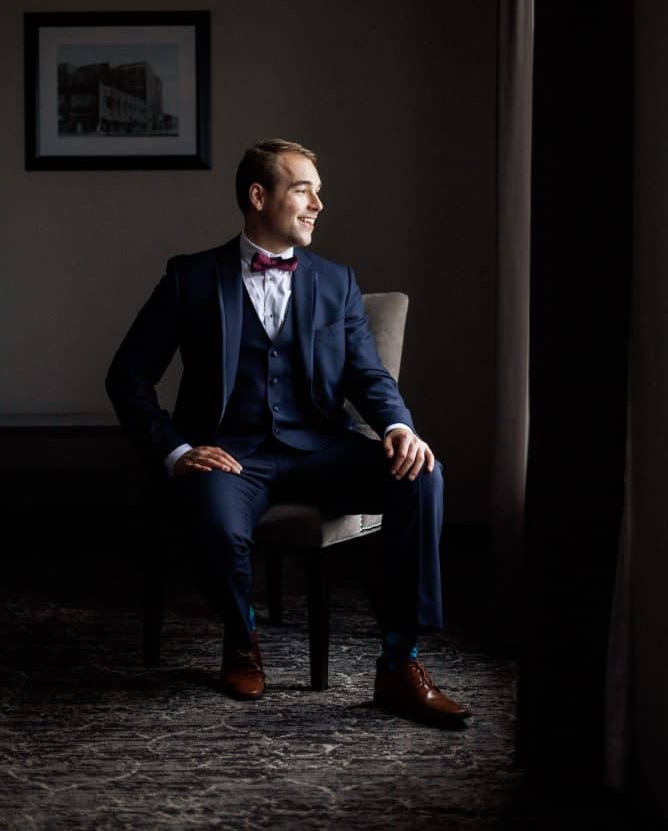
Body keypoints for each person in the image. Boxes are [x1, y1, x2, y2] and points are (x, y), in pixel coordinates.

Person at [106, 138, 469, 727]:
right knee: (217, 524)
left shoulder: (336, 281)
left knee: (422, 474)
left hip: (320, 447)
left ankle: (400, 664)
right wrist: (175, 451)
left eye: (317, 193)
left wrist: (400, 426)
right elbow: (127, 377)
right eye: (303, 190)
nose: (318, 205)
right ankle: (242, 638)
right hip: (232, 454)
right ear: (259, 196)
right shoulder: (190, 278)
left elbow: (366, 373)